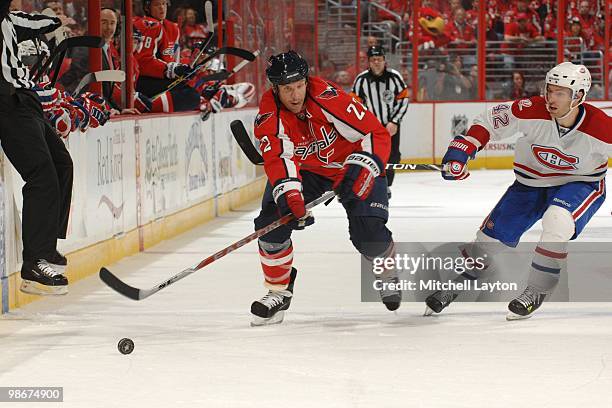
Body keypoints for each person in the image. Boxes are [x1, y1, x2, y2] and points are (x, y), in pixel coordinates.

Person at [425, 62, 611, 320]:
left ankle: (536, 289)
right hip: (530, 184)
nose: (551, 98)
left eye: (560, 93)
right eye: (550, 90)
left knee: (556, 220)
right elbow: (487, 122)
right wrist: (461, 151)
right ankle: (462, 279)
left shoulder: (601, 127)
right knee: (487, 244)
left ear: (578, 96)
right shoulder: (531, 109)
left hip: (580, 184)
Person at [251, 51, 400, 326]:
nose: (295, 95)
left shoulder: (327, 97)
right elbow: (280, 158)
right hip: (310, 172)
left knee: (368, 232)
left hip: (354, 164)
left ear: (306, 81)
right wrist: (290, 196)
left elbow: (375, 132)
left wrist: (366, 165)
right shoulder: (269, 113)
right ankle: (278, 290)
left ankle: (387, 272)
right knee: (271, 223)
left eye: (299, 86)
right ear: (275, 88)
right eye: (287, 89)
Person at [0, 3, 72, 295]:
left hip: (26, 101)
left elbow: (29, 21)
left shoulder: (8, 19)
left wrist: (55, 21)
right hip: (7, 103)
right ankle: (34, 261)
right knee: (41, 175)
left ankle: (46, 244)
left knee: (62, 164)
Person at [351, 45, 409, 195]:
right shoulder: (361, 80)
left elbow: (403, 99)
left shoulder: (394, 77)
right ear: (369, 62)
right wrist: (363, 123)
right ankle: (376, 184)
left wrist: (395, 121)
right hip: (371, 129)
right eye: (373, 60)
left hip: (391, 126)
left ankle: (386, 185)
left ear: (384, 60)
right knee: (373, 156)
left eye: (379, 59)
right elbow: (354, 104)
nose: (376, 62)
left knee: (393, 156)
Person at [133, 0, 199, 111]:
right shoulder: (148, 24)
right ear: (147, 8)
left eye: (163, 4)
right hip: (144, 80)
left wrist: (183, 70)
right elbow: (143, 62)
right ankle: (146, 107)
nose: (162, 8)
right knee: (191, 96)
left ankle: (149, 105)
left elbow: (174, 60)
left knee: (191, 93)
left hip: (162, 79)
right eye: (157, 5)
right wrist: (172, 70)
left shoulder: (173, 28)